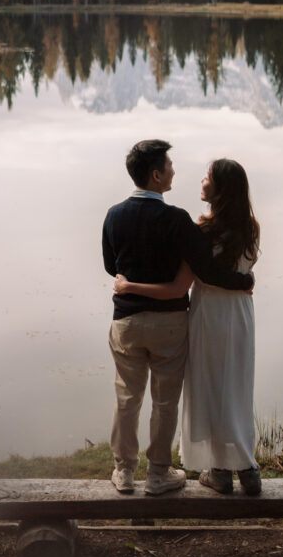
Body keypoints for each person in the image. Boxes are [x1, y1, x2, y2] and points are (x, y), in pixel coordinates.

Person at [102, 140, 254, 496]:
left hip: (125, 322)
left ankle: (124, 472)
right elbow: (205, 270)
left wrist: (129, 284)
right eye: (169, 166)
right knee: (165, 401)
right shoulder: (178, 220)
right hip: (169, 323)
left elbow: (111, 266)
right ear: (156, 175)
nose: (174, 170)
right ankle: (158, 474)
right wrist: (244, 282)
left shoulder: (113, 214)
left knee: (127, 398)